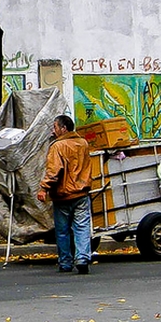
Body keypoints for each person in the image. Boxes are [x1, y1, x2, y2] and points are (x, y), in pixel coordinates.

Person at [36, 114, 93, 274]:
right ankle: (82, 258)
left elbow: (54, 171)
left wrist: (43, 188)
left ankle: (66, 262)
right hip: (81, 193)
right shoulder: (83, 143)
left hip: (63, 195)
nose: (53, 131)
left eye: (55, 127)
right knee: (82, 227)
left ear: (63, 128)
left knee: (62, 231)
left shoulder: (57, 147)